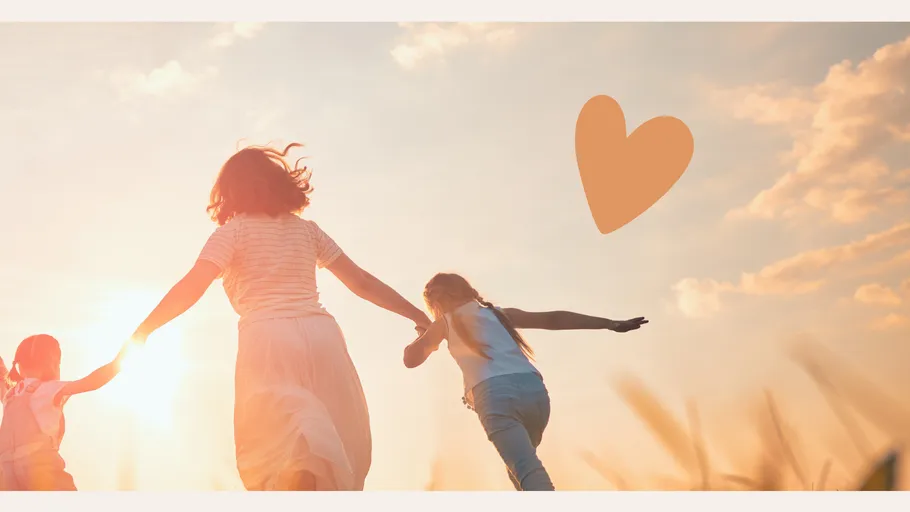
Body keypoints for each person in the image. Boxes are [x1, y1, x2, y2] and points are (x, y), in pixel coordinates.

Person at [129, 143, 430, 491]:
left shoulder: (232, 233)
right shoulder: (308, 231)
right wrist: (417, 316)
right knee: (331, 446)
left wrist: (143, 331)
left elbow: (192, 286)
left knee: (280, 447)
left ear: (230, 191)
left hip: (267, 339)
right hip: (323, 337)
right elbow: (361, 282)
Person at [404, 273, 648, 491]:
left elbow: (410, 359)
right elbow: (553, 319)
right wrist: (609, 323)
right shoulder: (498, 314)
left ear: (435, 303)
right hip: (535, 393)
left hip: (495, 396)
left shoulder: (444, 323)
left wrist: (423, 334)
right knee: (519, 473)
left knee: (527, 472)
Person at [0, 334, 132, 490]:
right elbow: (93, 381)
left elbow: (2, 376)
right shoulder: (48, 389)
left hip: (6, 472)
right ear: (52, 363)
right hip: (39, 469)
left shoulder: (11, 394)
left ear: (20, 365)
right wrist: (122, 358)